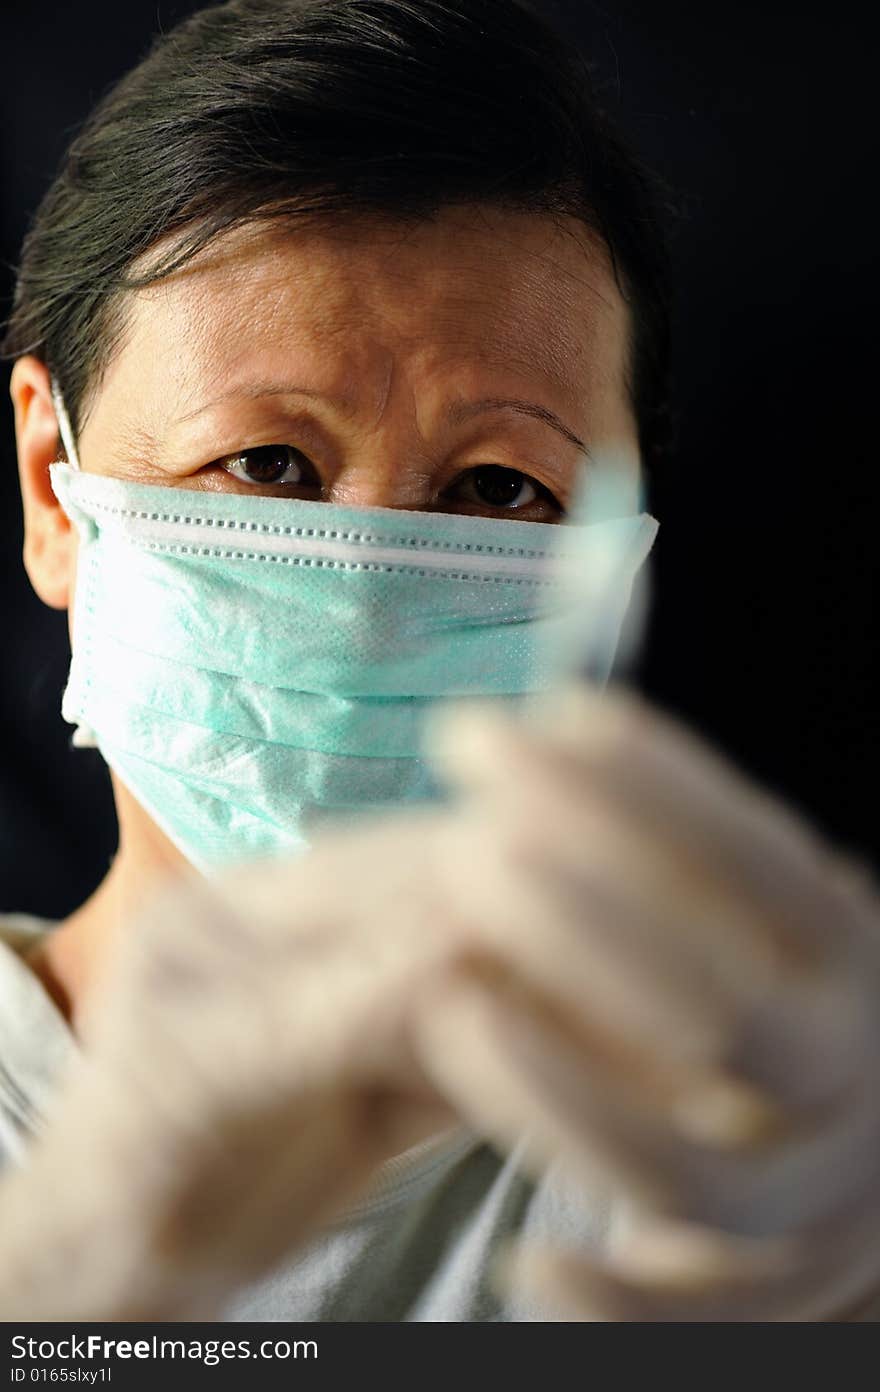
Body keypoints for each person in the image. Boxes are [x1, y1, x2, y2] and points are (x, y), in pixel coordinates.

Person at [1, 0, 878, 1322]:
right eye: (268, 464)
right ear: (53, 497)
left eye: (498, 487)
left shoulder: (752, 1163)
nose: (364, 593)